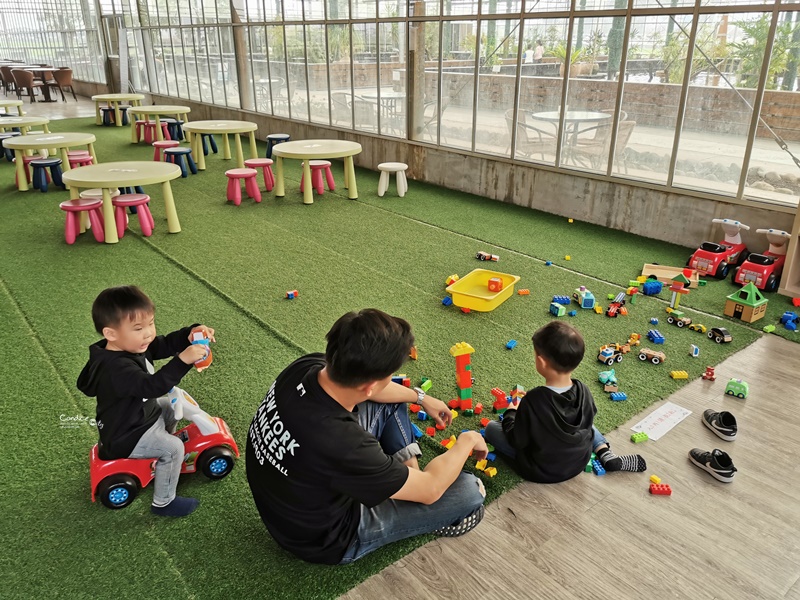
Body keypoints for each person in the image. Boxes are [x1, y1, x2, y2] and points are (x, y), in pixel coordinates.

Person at [246, 309, 488, 565]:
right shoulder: (344, 443)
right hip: (326, 539)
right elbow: (431, 490)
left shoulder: (306, 367)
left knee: (393, 401)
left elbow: (380, 394)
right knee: (470, 492)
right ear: (370, 385)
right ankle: (407, 492)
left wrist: (421, 397)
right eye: (386, 378)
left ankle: (402, 480)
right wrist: (468, 440)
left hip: (289, 506)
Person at [77, 285, 215, 517]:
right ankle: (164, 502)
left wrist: (189, 334)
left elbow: (162, 344)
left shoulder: (131, 345)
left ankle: (158, 456)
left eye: (150, 323)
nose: (148, 333)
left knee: (171, 408)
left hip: (139, 416)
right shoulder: (115, 368)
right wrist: (183, 360)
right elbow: (152, 386)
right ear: (111, 334)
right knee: (174, 448)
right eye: (138, 328)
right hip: (127, 434)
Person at [485, 321, 646, 483]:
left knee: (491, 428)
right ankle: (605, 453)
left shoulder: (533, 400)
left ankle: (602, 452)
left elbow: (517, 440)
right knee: (586, 422)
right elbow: (588, 421)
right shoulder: (584, 390)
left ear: (541, 362)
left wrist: (512, 412)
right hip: (578, 461)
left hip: (541, 469)